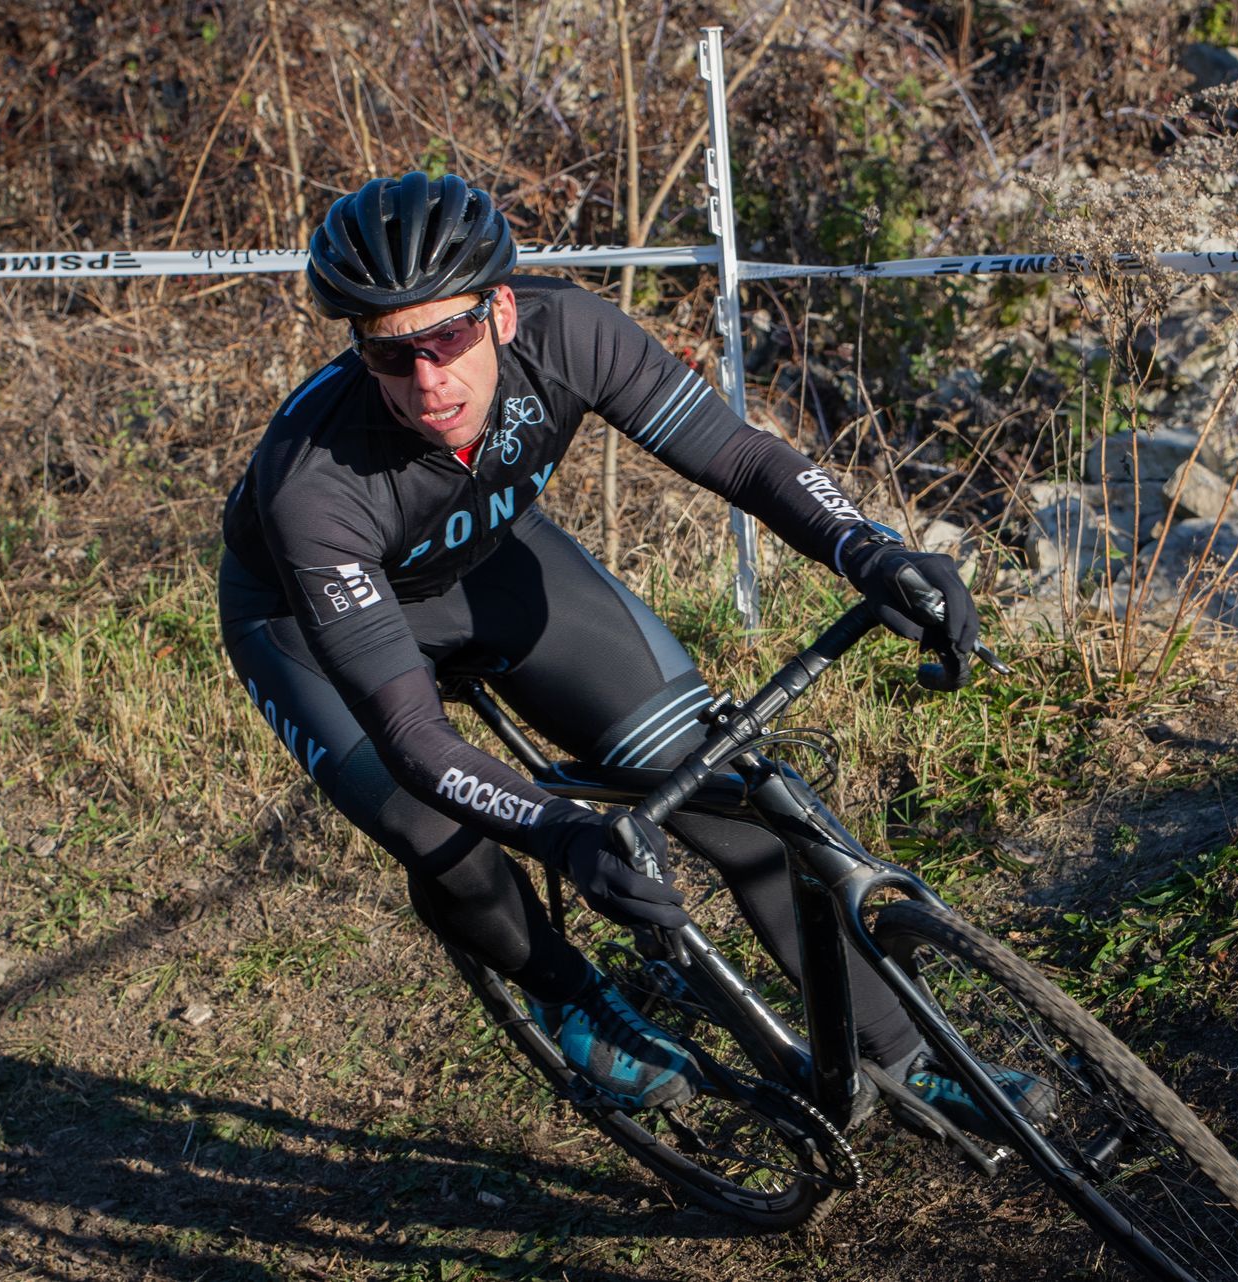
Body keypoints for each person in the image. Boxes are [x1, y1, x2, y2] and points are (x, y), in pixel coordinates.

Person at [219, 171, 1020, 1128]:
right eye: (393, 356)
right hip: (303, 623)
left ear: (502, 311)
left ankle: (907, 1056)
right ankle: (570, 994)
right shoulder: (312, 484)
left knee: (730, 800)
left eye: (449, 338)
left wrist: (873, 551)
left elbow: (744, 458)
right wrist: (566, 836)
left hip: (489, 559)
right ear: (359, 349)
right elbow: (412, 736)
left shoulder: (572, 333)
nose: (429, 380)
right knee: (440, 831)